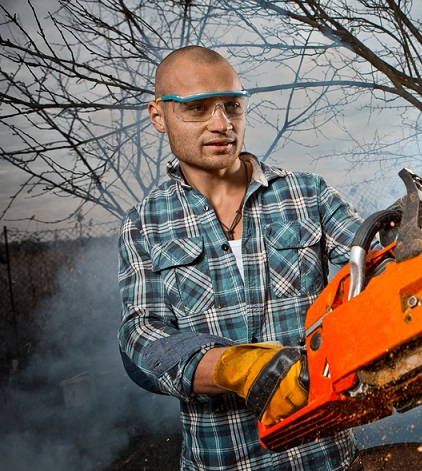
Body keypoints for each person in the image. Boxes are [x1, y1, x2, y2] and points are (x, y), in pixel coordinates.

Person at [117, 45, 361, 470]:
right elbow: (141, 337)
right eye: (197, 108)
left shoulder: (307, 194)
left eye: (232, 106)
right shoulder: (143, 224)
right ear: (159, 116)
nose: (222, 124)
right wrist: (236, 365)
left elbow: (369, 256)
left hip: (325, 455)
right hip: (221, 460)